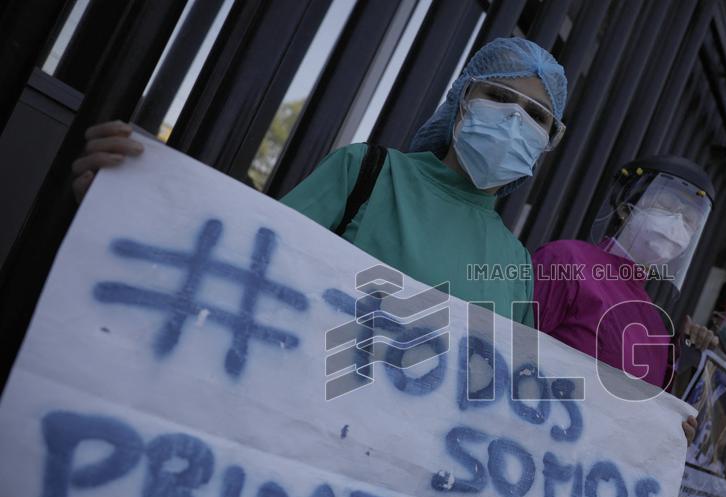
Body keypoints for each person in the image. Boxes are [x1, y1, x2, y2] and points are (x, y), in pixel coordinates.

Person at [70, 37, 569, 327]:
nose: (514, 120)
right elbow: (241, 266)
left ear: (549, 139)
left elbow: (507, 392)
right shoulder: (367, 174)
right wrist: (127, 209)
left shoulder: (516, 264)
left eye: (535, 115)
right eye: (499, 96)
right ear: (463, 99)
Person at [531, 156, 717, 438]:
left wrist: (676, 433)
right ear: (625, 208)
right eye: (666, 205)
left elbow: (645, 423)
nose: (677, 223)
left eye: (690, 220)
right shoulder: (565, 260)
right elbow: (508, 349)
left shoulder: (656, 327)